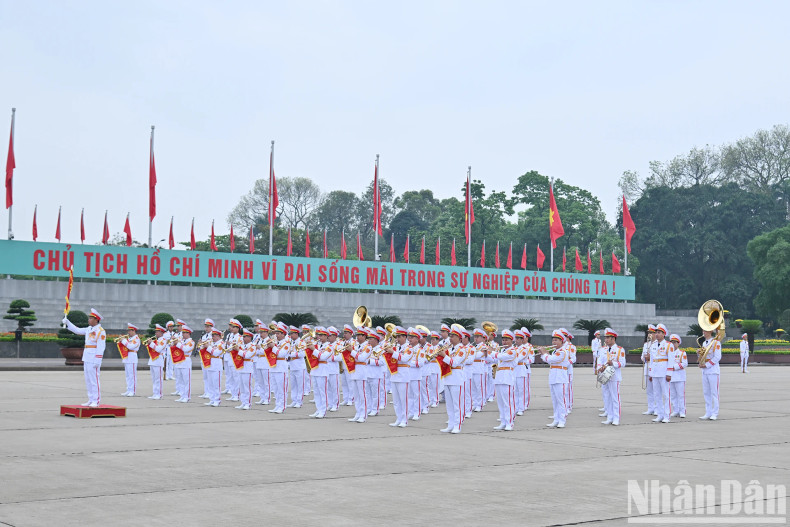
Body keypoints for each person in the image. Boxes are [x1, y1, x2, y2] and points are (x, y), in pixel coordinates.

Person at [62, 308, 106, 407]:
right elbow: (77, 330)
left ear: (96, 320)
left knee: (94, 379)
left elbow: (101, 347)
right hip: (87, 356)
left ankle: (96, 400)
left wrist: (98, 359)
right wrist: (68, 322)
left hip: (94, 357)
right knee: (88, 379)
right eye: (89, 318)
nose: (88, 320)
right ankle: (90, 399)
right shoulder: (89, 329)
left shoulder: (100, 331)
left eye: (91, 318)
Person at [437, 326, 466, 433]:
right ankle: (450, 424)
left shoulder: (462, 349)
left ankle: (457, 425)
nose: (450, 338)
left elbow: (454, 363)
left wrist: (444, 355)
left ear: (459, 338)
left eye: (453, 336)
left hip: (457, 378)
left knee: (457, 404)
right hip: (448, 377)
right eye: (450, 336)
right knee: (449, 404)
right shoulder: (449, 349)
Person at [487, 329, 517, 431]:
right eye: (503, 340)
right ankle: (503, 422)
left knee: (507, 402)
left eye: (507, 340)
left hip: (507, 377)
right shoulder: (501, 350)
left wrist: (492, 352)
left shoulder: (512, 350)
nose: (504, 342)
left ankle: (510, 423)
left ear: (511, 341)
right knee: (500, 402)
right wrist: (486, 354)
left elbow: (504, 357)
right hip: (499, 377)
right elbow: (495, 359)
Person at [540, 330, 569, 428]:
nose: (554, 342)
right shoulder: (555, 351)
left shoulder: (563, 351)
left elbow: (552, 359)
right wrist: (546, 354)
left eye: (556, 340)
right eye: (553, 340)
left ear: (562, 341)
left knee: (561, 400)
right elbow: (549, 361)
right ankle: (556, 419)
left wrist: (544, 353)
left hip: (560, 378)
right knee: (555, 400)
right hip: (553, 377)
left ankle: (562, 420)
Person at [597, 328, 625, 426]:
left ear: (613, 339)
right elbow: (599, 361)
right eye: (606, 338)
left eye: (608, 338)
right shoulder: (603, 350)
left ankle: (616, 418)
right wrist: (599, 368)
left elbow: (622, 363)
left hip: (614, 375)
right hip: (605, 374)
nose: (606, 340)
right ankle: (609, 417)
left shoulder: (619, 350)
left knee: (615, 398)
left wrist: (612, 363)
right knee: (607, 397)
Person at [348, 324, 372, 423]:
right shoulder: (356, 345)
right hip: (354, 371)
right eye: (357, 335)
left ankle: (363, 414)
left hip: (362, 372)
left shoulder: (368, 346)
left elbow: (362, 358)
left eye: (360, 335)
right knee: (356, 395)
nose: (357, 337)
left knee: (363, 395)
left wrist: (352, 351)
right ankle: (358, 413)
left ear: (364, 336)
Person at [389, 326, 411, 427]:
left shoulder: (409, 348)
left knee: (403, 399)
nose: (397, 339)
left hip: (403, 376)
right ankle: (398, 418)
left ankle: (404, 419)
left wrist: (393, 353)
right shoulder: (396, 347)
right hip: (394, 375)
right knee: (396, 400)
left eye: (399, 337)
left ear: (404, 337)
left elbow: (405, 359)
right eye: (396, 337)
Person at [266, 322, 291, 414]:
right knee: (275, 389)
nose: (276, 335)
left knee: (281, 389)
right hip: (273, 367)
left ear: (283, 334)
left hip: (281, 368)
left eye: (278, 333)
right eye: (276, 333)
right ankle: (277, 405)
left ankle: (282, 406)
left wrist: (273, 347)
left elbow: (281, 354)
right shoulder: (276, 343)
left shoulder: (286, 343)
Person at [650, 324, 672, 423]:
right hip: (655, 372)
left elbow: (671, 360)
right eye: (656, 332)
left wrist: (669, 373)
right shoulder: (653, 345)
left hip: (663, 372)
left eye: (659, 332)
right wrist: (650, 373)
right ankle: (660, 414)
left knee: (666, 395)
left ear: (664, 334)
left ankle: (667, 415)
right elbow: (651, 360)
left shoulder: (668, 345)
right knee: (657, 395)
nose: (657, 334)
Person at [699, 328, 722, 420]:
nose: (704, 332)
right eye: (703, 331)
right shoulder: (704, 343)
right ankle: (708, 412)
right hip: (705, 371)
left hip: (713, 370)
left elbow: (717, 357)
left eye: (705, 331)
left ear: (710, 331)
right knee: (706, 392)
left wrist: (707, 365)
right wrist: (699, 356)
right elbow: (704, 356)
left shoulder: (716, 342)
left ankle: (715, 413)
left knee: (714, 392)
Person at [309, 327, 330, 418]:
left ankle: (323, 410)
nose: (319, 337)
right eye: (318, 335)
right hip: (315, 369)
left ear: (326, 336)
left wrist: (313, 349)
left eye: (321, 335)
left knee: (323, 392)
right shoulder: (317, 344)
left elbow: (323, 357)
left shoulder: (329, 346)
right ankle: (318, 409)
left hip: (323, 370)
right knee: (316, 392)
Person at [366, 327, 387, 416]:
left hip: (376, 374)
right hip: (367, 373)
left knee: (375, 393)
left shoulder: (380, 350)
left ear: (375, 340)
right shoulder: (368, 348)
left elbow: (382, 362)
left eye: (371, 339)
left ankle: (375, 409)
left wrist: (370, 361)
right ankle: (369, 408)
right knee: (368, 393)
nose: (369, 341)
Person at [173, 325, 195, 403]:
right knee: (180, 380)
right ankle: (182, 395)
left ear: (188, 333)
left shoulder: (191, 342)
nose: (183, 334)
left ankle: (187, 396)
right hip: (179, 361)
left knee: (186, 380)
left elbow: (186, 349)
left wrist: (177, 344)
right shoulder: (181, 341)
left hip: (186, 361)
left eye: (185, 333)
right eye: (183, 332)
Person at [667, 334, 687, 418]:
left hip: (679, 377)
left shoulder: (682, 353)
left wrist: (674, 367)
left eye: (675, 342)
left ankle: (682, 411)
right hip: (671, 376)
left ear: (678, 344)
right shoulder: (668, 353)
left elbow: (685, 363)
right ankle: (675, 410)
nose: (673, 344)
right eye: (672, 342)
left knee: (680, 395)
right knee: (673, 395)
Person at [146, 324, 167, 400]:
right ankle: (155, 393)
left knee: (158, 379)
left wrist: (151, 343)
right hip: (152, 360)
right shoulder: (157, 340)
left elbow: (158, 349)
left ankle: (159, 394)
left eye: (157, 331)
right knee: (154, 378)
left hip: (158, 360)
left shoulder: (163, 340)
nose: (156, 333)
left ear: (161, 332)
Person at [223, 319, 243, 402]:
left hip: (235, 358)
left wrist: (229, 345)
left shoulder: (239, 337)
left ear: (238, 328)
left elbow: (238, 347)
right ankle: (233, 393)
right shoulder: (230, 336)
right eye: (231, 327)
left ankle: (237, 395)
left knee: (236, 377)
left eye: (234, 327)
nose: (232, 328)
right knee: (231, 377)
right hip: (229, 358)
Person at [287, 326, 306, 408]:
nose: (290, 335)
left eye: (292, 333)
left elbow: (303, 354)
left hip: (299, 366)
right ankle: (294, 400)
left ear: (296, 334)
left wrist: (292, 354)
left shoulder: (302, 342)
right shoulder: (291, 342)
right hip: (292, 365)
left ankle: (299, 401)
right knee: (293, 385)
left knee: (300, 385)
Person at [236, 329, 255, 410]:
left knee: (247, 387)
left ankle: (248, 403)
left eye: (245, 337)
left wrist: (238, 350)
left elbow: (247, 355)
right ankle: (243, 402)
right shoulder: (242, 346)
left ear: (250, 337)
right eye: (243, 336)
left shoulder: (252, 346)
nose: (243, 338)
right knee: (242, 387)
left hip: (247, 368)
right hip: (241, 367)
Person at [119, 323, 140, 397]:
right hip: (127, 357)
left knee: (132, 375)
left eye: (129, 331)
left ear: (133, 330)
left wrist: (123, 341)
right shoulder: (129, 339)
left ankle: (132, 391)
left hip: (132, 357)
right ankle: (128, 390)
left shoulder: (136, 339)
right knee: (128, 375)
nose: (128, 332)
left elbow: (130, 347)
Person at [205, 327, 224, 407]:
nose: (212, 337)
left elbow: (216, 353)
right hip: (210, 364)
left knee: (216, 384)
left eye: (214, 335)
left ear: (218, 336)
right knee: (211, 384)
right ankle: (212, 399)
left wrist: (208, 347)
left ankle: (217, 400)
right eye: (212, 335)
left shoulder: (221, 343)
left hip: (217, 364)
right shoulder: (212, 343)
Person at [253, 321, 272, 405]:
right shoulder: (259, 340)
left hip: (266, 362)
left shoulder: (269, 341)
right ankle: (262, 397)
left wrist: (259, 349)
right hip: (259, 361)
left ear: (266, 332)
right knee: (260, 382)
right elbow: (255, 352)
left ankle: (267, 398)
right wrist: (258, 349)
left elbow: (266, 352)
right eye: (260, 332)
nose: (261, 334)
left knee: (266, 382)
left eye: (262, 332)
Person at [641, 325, 657, 416]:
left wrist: (650, 357)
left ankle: (656, 408)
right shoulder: (646, 344)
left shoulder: (657, 344)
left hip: (654, 369)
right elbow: (642, 357)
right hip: (647, 369)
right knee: (649, 391)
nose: (649, 335)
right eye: (649, 333)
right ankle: (650, 408)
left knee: (655, 390)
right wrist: (644, 357)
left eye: (651, 333)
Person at [197, 319, 214, 399]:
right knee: (205, 377)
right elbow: (200, 348)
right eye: (205, 327)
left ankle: (210, 392)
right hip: (203, 358)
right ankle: (206, 391)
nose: (206, 328)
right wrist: (199, 345)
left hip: (209, 358)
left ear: (211, 327)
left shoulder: (213, 336)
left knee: (210, 377)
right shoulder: (204, 336)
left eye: (208, 327)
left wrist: (205, 345)